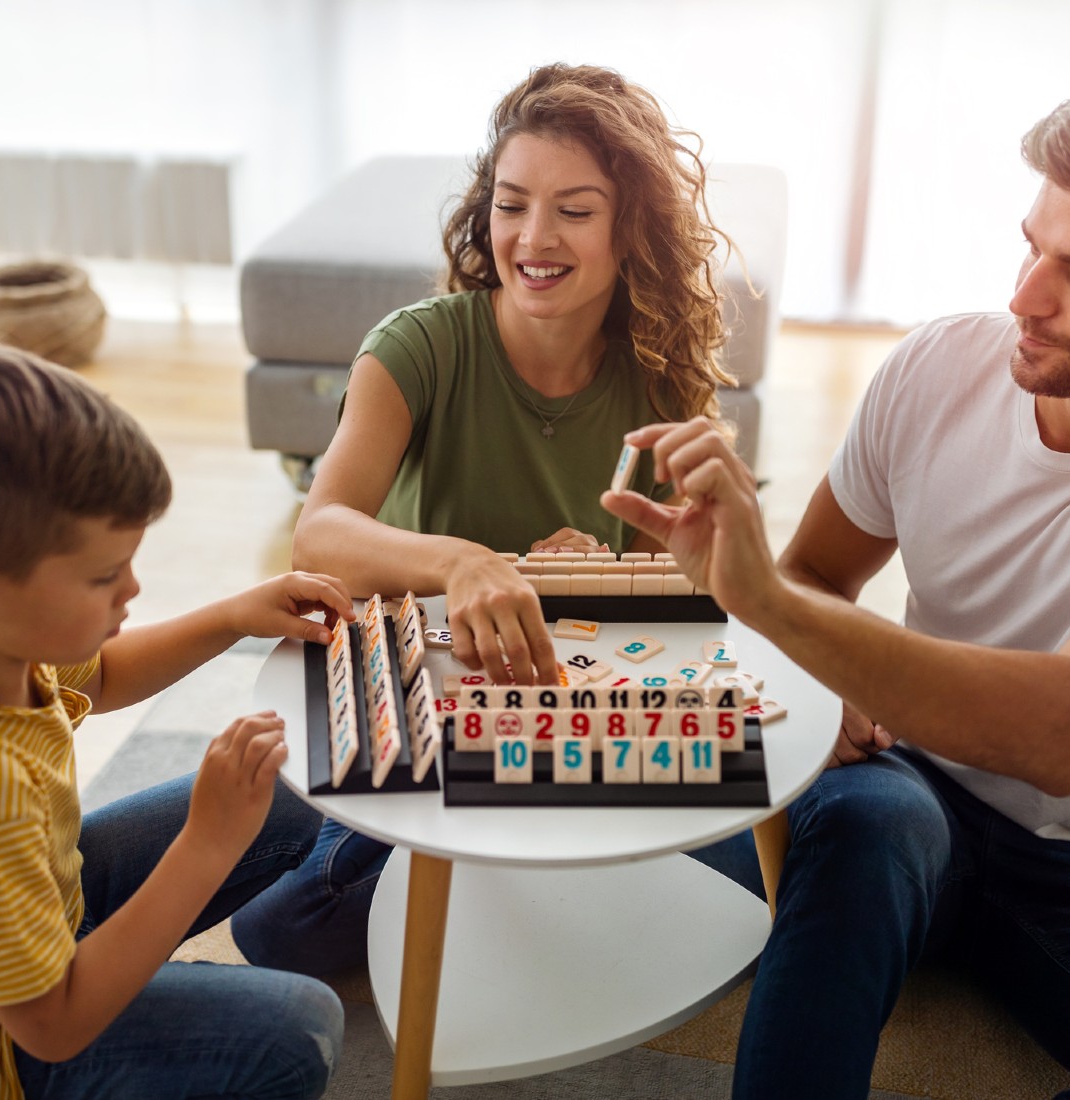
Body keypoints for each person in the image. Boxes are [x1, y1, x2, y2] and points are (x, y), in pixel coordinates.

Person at [604, 64, 1070, 1099]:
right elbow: (817, 572)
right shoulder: (937, 367)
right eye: (1032, 245)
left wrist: (770, 602)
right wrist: (810, 656)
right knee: (864, 821)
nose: (1024, 296)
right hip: (899, 782)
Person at [230, 61, 763, 979]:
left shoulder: (662, 378)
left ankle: (493, 871)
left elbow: (673, 604)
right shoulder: (420, 346)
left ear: (630, 228)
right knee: (283, 932)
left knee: (762, 848)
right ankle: (413, 854)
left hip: (546, 717)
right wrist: (468, 561)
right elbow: (321, 533)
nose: (534, 237)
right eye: (512, 204)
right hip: (405, 700)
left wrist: (583, 571)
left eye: (575, 210)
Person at [0, 341, 355, 1099]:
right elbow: (52, 1026)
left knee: (292, 789)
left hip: (35, 916)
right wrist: (206, 844)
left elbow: (99, 675)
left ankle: (143, 979)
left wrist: (235, 614)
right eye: (105, 576)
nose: (133, 589)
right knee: (299, 1028)